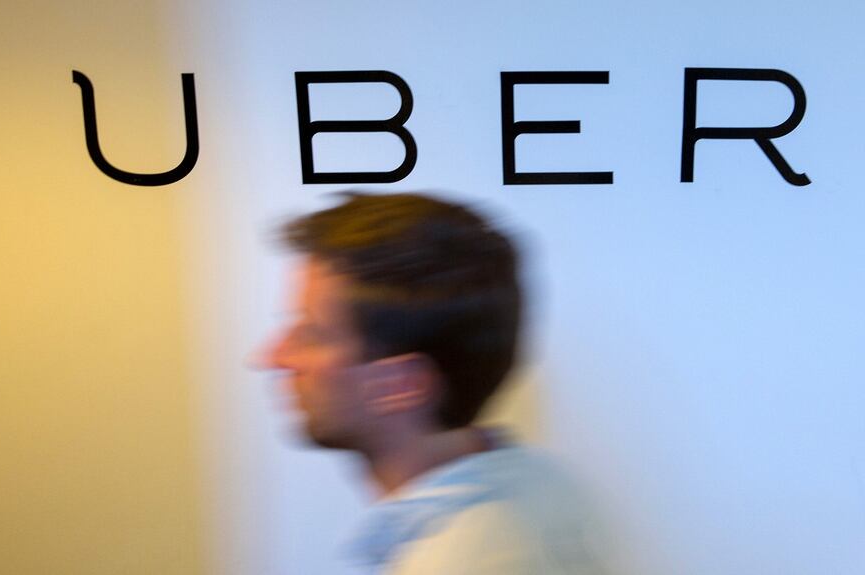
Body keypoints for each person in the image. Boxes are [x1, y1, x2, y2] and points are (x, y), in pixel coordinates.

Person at [261, 192, 616, 574]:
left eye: (310, 335)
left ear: (400, 384)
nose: (273, 357)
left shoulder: (455, 563)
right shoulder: (544, 488)